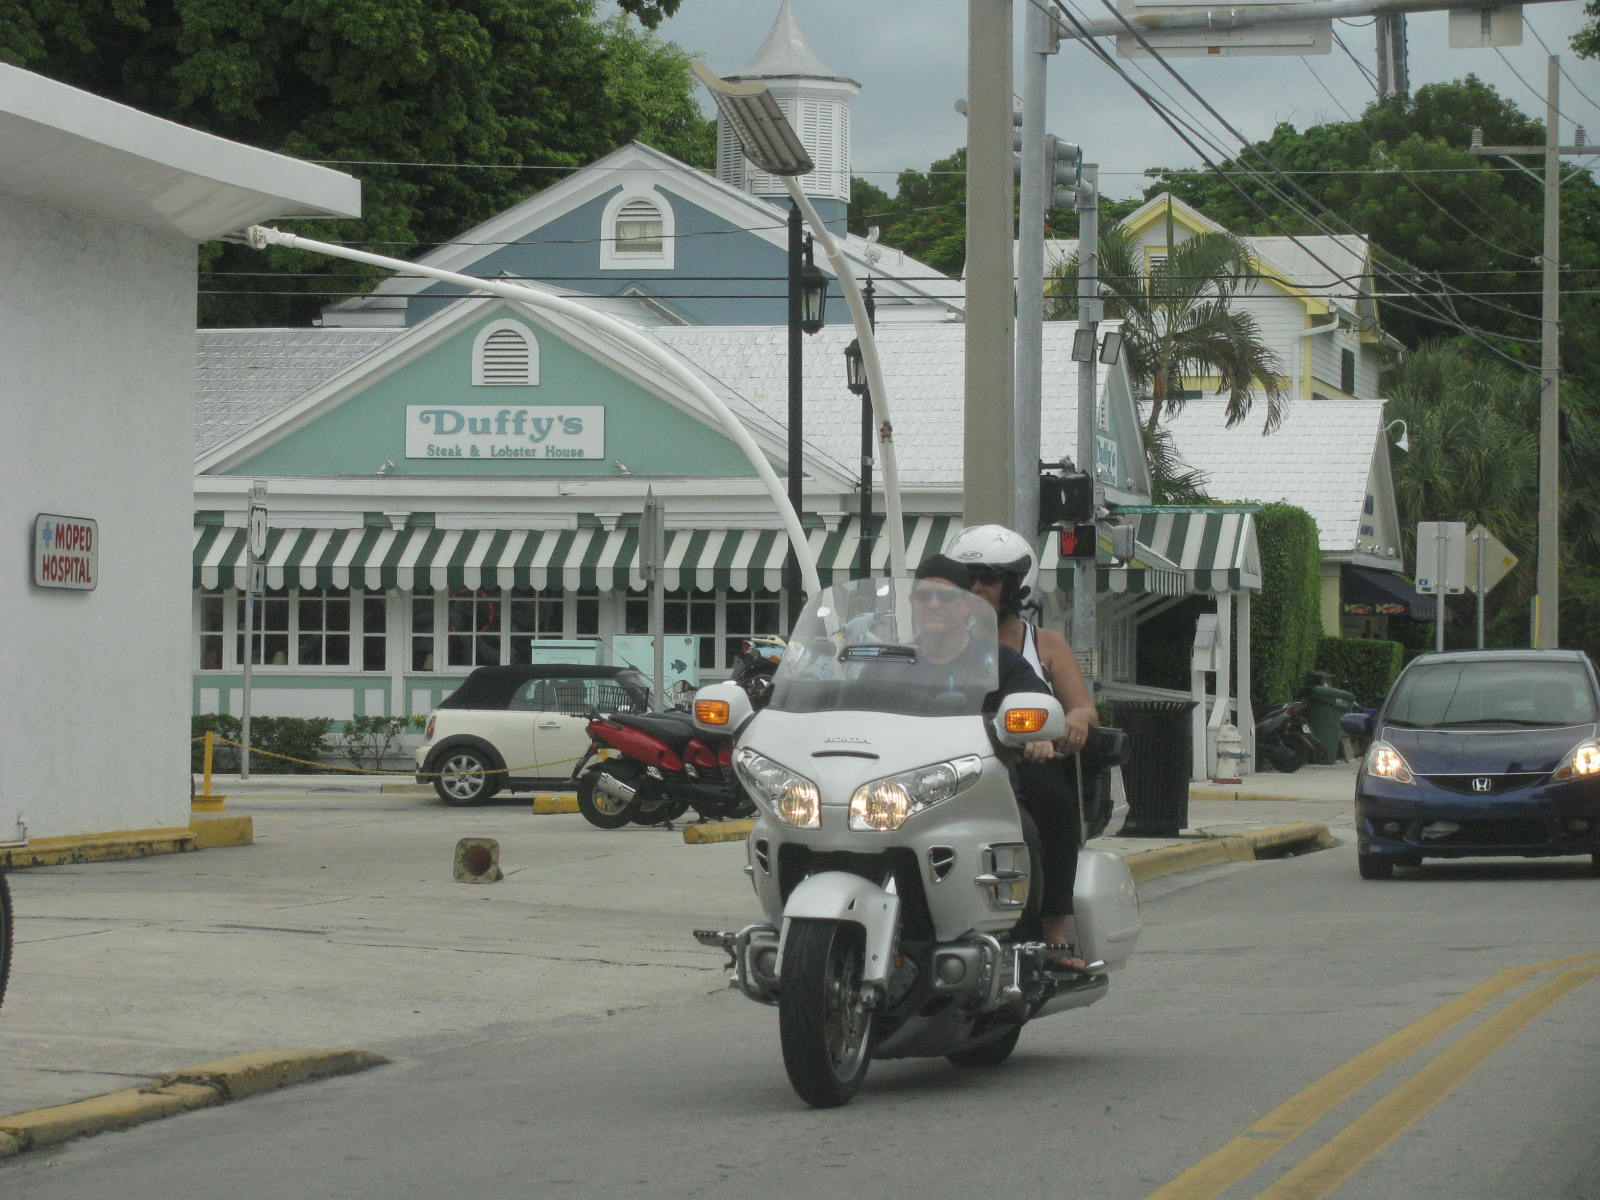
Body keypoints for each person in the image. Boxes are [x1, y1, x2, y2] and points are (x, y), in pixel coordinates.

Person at [946, 525, 1099, 969]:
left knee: (1051, 802)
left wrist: (1068, 723)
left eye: (987, 579)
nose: (975, 589)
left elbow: (1083, 709)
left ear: (1012, 587)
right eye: (968, 579)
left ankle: (1052, 927)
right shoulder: (933, 645)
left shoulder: (1043, 644)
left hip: (1021, 758)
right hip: (947, 760)